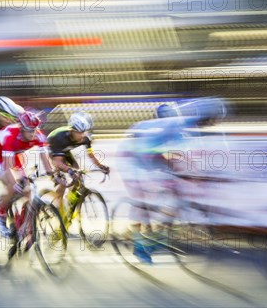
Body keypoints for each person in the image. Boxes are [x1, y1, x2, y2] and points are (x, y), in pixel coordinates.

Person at [119, 97, 228, 264]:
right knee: (142, 202)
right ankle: (140, 244)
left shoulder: (187, 125)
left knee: (176, 190)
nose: (214, 124)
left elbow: (186, 155)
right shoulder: (181, 124)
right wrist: (195, 175)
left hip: (150, 154)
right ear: (206, 117)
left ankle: (158, 234)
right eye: (214, 120)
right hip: (132, 157)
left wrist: (198, 175)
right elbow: (182, 155)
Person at [0, 110, 55, 236]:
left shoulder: (37, 134)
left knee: (28, 188)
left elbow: (45, 157)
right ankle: (0, 212)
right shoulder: (10, 136)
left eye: (35, 129)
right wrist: (14, 183)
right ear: (22, 128)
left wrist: (52, 174)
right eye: (29, 130)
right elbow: (7, 167)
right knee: (14, 185)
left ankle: (22, 221)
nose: (33, 133)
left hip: (13, 156)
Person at [47, 111, 110, 216]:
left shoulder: (85, 138)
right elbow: (57, 161)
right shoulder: (60, 138)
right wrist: (69, 170)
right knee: (62, 181)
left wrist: (101, 166)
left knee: (78, 173)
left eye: (84, 132)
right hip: (54, 149)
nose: (82, 135)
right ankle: (57, 206)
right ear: (72, 130)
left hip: (66, 151)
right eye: (79, 133)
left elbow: (91, 155)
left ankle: (70, 200)